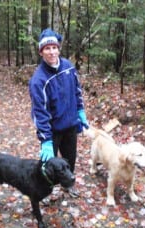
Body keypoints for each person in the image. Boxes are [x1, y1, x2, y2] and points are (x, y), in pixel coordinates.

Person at [28, 28, 89, 198]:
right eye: (47, 48)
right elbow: (39, 113)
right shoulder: (38, 80)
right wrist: (46, 140)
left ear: (58, 48)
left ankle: (67, 185)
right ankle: (43, 192)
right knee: (47, 165)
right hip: (52, 131)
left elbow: (77, 92)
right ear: (41, 52)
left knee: (69, 160)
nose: (51, 52)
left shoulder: (68, 67)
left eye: (54, 47)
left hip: (70, 125)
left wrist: (80, 112)